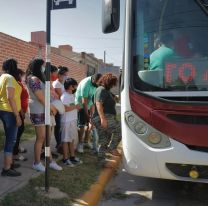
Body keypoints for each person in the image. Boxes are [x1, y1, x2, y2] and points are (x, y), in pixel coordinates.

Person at [26, 58, 62, 172]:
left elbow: (49, 93)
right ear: (37, 66)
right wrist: (51, 107)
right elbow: (40, 97)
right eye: (43, 66)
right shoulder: (32, 79)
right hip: (38, 110)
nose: (44, 68)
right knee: (41, 137)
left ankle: (50, 160)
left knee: (47, 138)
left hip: (46, 110)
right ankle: (36, 162)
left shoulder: (40, 78)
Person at [92, 73, 121, 164]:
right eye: (112, 83)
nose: (113, 85)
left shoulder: (106, 90)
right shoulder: (101, 90)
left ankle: (101, 160)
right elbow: (98, 104)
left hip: (105, 117)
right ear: (107, 82)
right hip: (103, 117)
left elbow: (114, 99)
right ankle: (112, 148)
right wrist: (102, 119)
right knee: (120, 129)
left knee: (104, 139)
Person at [0, 59, 22, 177]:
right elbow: (10, 97)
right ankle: (7, 168)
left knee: (10, 139)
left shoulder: (2, 77)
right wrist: (17, 116)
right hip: (9, 112)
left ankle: (10, 163)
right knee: (11, 140)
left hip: (4, 110)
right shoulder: (9, 78)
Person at [75, 73, 102, 153]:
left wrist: (92, 115)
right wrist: (88, 116)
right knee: (82, 125)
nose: (100, 84)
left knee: (90, 124)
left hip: (89, 104)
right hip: (81, 105)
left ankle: (86, 142)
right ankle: (80, 144)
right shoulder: (86, 84)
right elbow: (84, 102)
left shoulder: (97, 85)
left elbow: (93, 101)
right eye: (99, 83)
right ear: (94, 80)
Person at [60, 78, 82, 166]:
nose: (75, 87)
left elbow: (72, 106)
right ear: (70, 86)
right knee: (65, 140)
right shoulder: (64, 96)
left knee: (71, 139)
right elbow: (65, 109)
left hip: (72, 120)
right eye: (74, 86)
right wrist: (76, 107)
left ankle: (72, 157)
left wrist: (76, 107)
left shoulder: (71, 95)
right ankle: (65, 159)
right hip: (66, 121)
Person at [13, 68, 29, 162]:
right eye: (22, 75)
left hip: (21, 110)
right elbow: (16, 99)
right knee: (18, 132)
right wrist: (21, 112)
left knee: (20, 131)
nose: (23, 77)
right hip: (19, 111)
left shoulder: (19, 84)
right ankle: (15, 154)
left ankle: (17, 148)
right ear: (18, 75)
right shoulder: (17, 84)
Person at [52, 66, 69, 152]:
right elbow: (61, 96)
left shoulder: (64, 83)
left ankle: (61, 143)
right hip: (57, 107)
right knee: (58, 126)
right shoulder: (56, 84)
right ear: (60, 75)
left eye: (67, 75)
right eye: (65, 75)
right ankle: (59, 145)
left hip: (63, 108)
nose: (66, 76)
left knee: (61, 126)